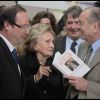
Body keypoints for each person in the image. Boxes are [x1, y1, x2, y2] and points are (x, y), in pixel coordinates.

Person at [18, 23, 66, 99]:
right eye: (47, 41)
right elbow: (16, 91)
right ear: (34, 45)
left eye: (52, 42)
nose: (52, 45)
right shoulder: (20, 62)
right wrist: (35, 78)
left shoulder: (57, 64)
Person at [65, 7, 100, 99]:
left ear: (95, 27)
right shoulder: (83, 46)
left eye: (82, 23)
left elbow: (86, 83)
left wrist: (88, 86)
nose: (78, 27)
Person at [0, 5, 30, 99]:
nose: (27, 32)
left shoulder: (11, 50)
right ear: (7, 25)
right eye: (23, 27)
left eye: (28, 26)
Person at [53, 6, 83, 97]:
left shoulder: (91, 45)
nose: (73, 27)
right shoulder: (54, 43)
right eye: (69, 23)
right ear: (65, 25)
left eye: (77, 22)